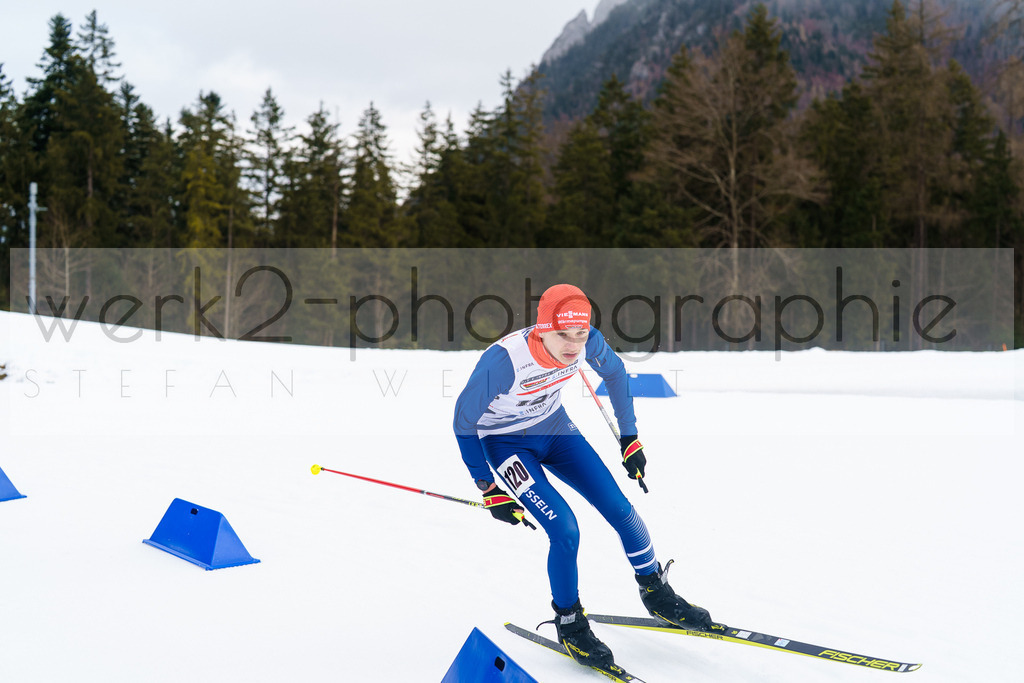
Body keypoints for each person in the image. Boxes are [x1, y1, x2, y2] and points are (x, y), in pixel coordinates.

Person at [453, 283, 720, 668]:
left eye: (580, 334)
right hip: (505, 444)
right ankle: (570, 622)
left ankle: (656, 592)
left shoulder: (587, 340)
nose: (573, 345)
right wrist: (487, 485)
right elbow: (464, 421)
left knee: (620, 509)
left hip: (556, 431)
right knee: (564, 529)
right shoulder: (504, 361)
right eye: (563, 334)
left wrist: (629, 436)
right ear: (542, 327)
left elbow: (615, 373)